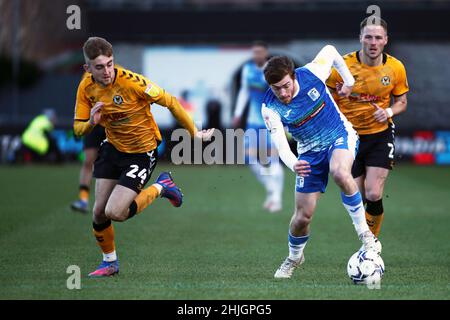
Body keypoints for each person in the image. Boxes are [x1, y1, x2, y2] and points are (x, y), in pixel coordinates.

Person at [74, 37, 214, 277]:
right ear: (88, 68)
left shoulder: (134, 83)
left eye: (110, 64)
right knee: (99, 212)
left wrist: (194, 133)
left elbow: (170, 101)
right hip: (112, 148)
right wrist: (91, 123)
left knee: (115, 212)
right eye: (99, 67)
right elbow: (77, 129)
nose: (107, 71)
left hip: (141, 152)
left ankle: (162, 186)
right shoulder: (86, 87)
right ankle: (110, 263)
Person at [261, 46, 381, 279]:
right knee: (302, 218)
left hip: (339, 134)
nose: (283, 93)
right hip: (308, 152)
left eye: (286, 86)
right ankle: (294, 257)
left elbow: (330, 50)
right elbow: (279, 142)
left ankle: (366, 235)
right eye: (277, 89)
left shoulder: (312, 73)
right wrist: (293, 163)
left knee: (339, 172)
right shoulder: (269, 107)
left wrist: (348, 81)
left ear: (293, 77)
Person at [326, 17, 408, 239]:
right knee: (357, 195)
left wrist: (388, 112)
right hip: (349, 138)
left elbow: (401, 101)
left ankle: (371, 246)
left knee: (373, 192)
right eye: (369, 37)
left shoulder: (395, 68)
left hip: (379, 135)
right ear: (360, 38)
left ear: (385, 40)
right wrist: (338, 94)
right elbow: (324, 101)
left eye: (378, 37)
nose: (373, 42)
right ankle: (366, 237)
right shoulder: (341, 67)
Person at [232, 41, 284, 213]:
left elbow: (281, 95)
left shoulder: (273, 70)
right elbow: (244, 92)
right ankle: (271, 187)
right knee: (249, 158)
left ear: (266, 53)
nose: (257, 55)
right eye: (254, 52)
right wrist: (238, 113)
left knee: (272, 158)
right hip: (253, 121)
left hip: (271, 121)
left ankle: (276, 198)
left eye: (260, 52)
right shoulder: (247, 69)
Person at [71, 72, 106, 214]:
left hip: (110, 124)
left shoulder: (117, 71)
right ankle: (83, 200)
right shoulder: (85, 77)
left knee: (112, 162)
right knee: (88, 161)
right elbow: (81, 101)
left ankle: (109, 201)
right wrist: (79, 123)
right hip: (92, 123)